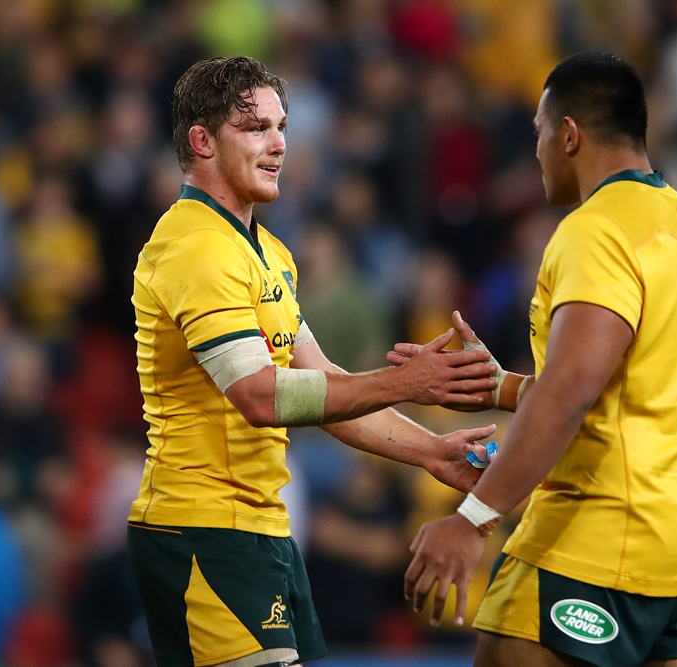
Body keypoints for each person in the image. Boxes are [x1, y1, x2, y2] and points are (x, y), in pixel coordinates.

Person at [127, 56, 498, 667]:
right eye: (256, 128)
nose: (278, 144)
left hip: (263, 528)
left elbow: (321, 386)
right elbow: (261, 395)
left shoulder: (268, 252)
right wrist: (404, 381)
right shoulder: (195, 249)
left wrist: (431, 450)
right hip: (202, 529)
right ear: (201, 140)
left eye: (282, 127)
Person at [401, 51, 677, 667]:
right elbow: (629, 391)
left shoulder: (597, 228)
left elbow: (573, 390)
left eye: (539, 133)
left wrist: (472, 520)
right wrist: (500, 387)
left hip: (601, 537)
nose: (536, 152)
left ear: (570, 134)